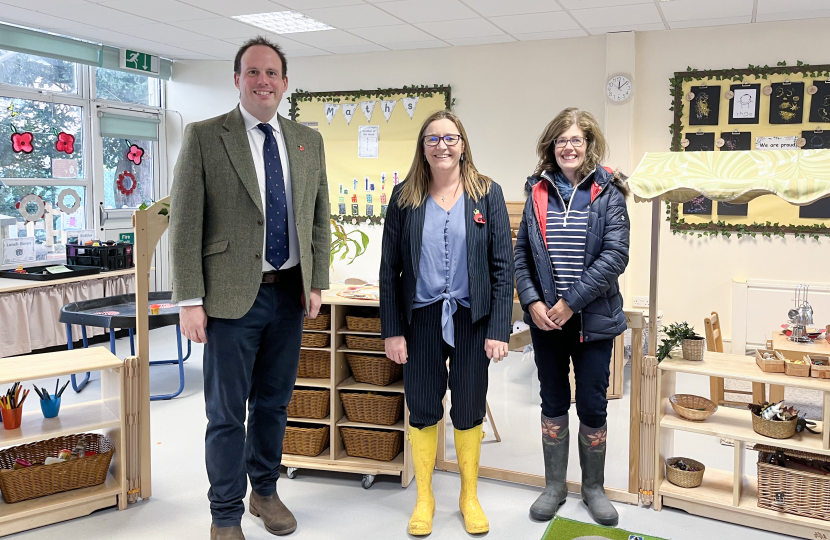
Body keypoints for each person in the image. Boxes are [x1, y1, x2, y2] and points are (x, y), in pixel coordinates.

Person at [169, 36, 330, 540]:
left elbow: (318, 217)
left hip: (288, 294)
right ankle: (224, 515)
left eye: (273, 73)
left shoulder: (307, 141)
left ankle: (264, 490)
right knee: (224, 415)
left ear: (285, 82)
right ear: (236, 79)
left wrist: (318, 282)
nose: (264, 81)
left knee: (274, 404)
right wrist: (191, 300)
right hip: (230, 299)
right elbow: (185, 223)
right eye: (253, 72)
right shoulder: (204, 136)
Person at [379, 110, 514, 536]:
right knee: (421, 407)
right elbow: (389, 270)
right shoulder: (404, 197)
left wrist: (498, 328)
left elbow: (502, 266)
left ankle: (468, 495)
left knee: (469, 405)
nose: (442, 146)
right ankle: (425, 497)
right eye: (433, 139)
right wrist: (392, 330)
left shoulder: (487, 193)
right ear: (423, 147)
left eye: (450, 138)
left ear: (463, 144)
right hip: (419, 319)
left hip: (473, 319)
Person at [514, 108, 629, 526]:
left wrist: (570, 303)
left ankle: (593, 488)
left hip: (593, 322)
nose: (568, 146)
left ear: (589, 144)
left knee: (594, 403)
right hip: (546, 323)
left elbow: (616, 256)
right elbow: (522, 254)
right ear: (551, 146)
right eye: (561, 140)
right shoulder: (537, 192)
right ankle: (555, 486)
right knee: (553, 399)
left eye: (576, 139)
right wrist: (532, 303)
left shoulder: (609, 192)